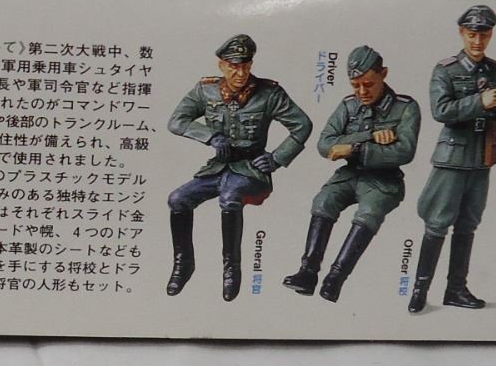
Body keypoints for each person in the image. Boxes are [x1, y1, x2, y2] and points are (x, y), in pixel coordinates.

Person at [166, 34, 312, 301]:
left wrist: (277, 158)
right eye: (234, 66)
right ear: (222, 65)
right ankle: (183, 263)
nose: (241, 73)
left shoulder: (269, 93)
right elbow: (176, 121)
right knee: (178, 199)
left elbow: (302, 125)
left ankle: (231, 270)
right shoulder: (206, 90)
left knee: (230, 197)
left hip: (250, 169)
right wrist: (210, 136)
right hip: (218, 167)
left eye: (245, 66)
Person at [283, 45, 420, 302]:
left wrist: (353, 148)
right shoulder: (349, 105)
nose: (361, 92)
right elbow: (325, 144)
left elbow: (404, 152)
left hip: (384, 180)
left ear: (384, 74)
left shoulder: (405, 107)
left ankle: (335, 278)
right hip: (350, 174)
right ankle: (308, 272)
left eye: (368, 84)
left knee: (368, 213)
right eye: (355, 85)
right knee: (323, 201)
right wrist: (368, 137)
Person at [410, 5, 496, 313]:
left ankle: (456, 289)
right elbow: (441, 111)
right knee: (437, 223)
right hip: (453, 156)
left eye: (484, 35)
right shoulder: (446, 70)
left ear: (491, 35)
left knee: (468, 224)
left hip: (482, 156)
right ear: (462, 33)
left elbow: (494, 112)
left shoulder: (493, 70)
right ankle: (420, 289)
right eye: (472, 35)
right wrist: (480, 101)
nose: (477, 41)